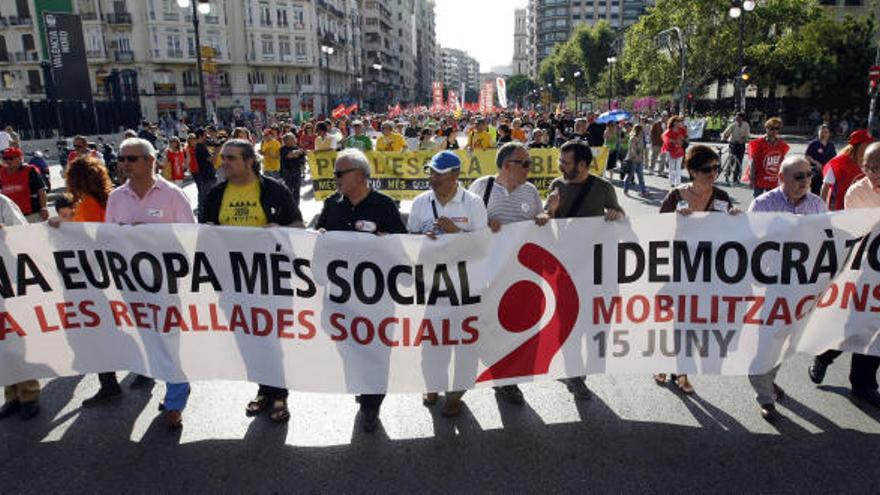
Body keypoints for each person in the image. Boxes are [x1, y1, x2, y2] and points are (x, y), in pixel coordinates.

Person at [90, 138, 195, 429]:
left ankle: (175, 399)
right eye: (121, 159)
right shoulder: (116, 198)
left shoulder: (173, 195)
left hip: (167, 283)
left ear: (150, 161)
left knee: (170, 340)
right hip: (132, 285)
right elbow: (108, 239)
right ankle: (163, 380)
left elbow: (190, 237)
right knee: (148, 338)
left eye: (132, 158)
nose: (124, 164)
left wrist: (149, 235)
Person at [200, 138, 303, 424]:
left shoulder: (273, 190)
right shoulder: (217, 193)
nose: (224, 163)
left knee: (272, 338)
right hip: (232, 281)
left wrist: (278, 229)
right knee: (248, 339)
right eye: (223, 158)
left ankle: (279, 393)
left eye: (231, 158)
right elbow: (205, 230)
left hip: (269, 280)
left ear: (249, 161)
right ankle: (263, 390)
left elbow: (298, 226)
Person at [315, 148, 406, 433]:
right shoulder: (332, 205)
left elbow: (404, 247)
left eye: (339, 173)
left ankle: (371, 405)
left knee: (377, 352)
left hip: (376, 298)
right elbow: (319, 236)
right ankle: (361, 386)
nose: (335, 178)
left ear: (359, 175)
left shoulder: (384, 206)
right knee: (348, 349)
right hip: (340, 297)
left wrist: (388, 242)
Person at [468, 142, 551, 404]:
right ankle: (472, 374)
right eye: (524, 164)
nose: (529, 168)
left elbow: (542, 221)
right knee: (485, 329)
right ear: (506, 166)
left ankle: (508, 382)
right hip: (487, 277)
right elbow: (466, 225)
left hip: (520, 277)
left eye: (530, 164)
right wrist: (483, 225)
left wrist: (545, 216)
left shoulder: (530, 191)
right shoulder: (482, 187)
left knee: (516, 332)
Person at [408, 151, 488, 416]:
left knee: (465, 346)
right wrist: (422, 237)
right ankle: (432, 386)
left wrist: (456, 233)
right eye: (431, 171)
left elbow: (483, 246)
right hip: (432, 287)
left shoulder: (473, 203)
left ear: (454, 175)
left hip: (466, 286)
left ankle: (456, 395)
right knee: (432, 344)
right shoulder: (420, 202)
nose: (431, 177)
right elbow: (408, 243)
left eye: (437, 173)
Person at [544, 140, 625, 400]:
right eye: (560, 161)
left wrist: (615, 214)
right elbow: (547, 226)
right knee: (568, 327)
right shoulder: (557, 186)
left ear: (581, 164)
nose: (560, 166)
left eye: (565, 162)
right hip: (566, 270)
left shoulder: (603, 188)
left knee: (595, 326)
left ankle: (580, 372)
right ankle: (575, 376)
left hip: (596, 271)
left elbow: (621, 218)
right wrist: (551, 210)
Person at [655, 145, 738, 395]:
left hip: (707, 272)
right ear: (691, 171)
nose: (713, 173)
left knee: (693, 324)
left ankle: (678, 367)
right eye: (706, 169)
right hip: (676, 269)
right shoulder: (675, 196)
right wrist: (674, 220)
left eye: (716, 168)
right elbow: (656, 231)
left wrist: (737, 219)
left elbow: (731, 236)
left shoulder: (722, 197)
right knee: (676, 322)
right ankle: (677, 369)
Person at [748, 156, 826, 420]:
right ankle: (765, 397)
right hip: (769, 286)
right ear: (781, 178)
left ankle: (768, 379)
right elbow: (747, 241)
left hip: (801, 286)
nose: (805, 181)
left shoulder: (817, 204)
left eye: (808, 175)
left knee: (784, 341)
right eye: (799, 176)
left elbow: (828, 241)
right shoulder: (763, 204)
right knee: (765, 342)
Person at [807, 142, 880, 409]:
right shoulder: (857, 192)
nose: (871, 173)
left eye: (877, 168)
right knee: (853, 324)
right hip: (865, 270)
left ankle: (864, 385)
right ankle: (825, 355)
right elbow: (861, 231)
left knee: (876, 330)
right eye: (867, 167)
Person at [0, 191, 40, 421]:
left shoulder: (3, 202)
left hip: (9, 280)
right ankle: (11, 395)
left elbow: (23, 234)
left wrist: (4, 231)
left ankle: (29, 395)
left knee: (17, 338)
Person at [820, 129, 873, 212]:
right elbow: (826, 187)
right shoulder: (838, 163)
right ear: (858, 145)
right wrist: (822, 209)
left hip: (865, 209)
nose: (870, 146)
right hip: (842, 211)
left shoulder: (872, 162)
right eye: (867, 143)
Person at [0, 147, 48, 222]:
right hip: (10, 216)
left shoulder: (30, 171)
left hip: (31, 214)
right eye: (5, 158)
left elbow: (41, 190)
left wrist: (44, 208)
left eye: (11, 158)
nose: (7, 161)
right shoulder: (1, 173)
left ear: (19, 159)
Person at [747, 117, 790, 197]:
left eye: (777, 128)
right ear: (766, 128)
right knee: (758, 201)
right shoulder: (757, 144)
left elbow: (782, 162)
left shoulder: (782, 145)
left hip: (773, 179)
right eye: (772, 128)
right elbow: (753, 161)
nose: (774, 131)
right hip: (759, 178)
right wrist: (751, 178)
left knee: (773, 202)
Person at [804, 124, 836, 196]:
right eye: (822, 132)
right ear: (818, 132)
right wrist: (816, 163)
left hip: (827, 172)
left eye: (826, 132)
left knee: (826, 192)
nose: (824, 134)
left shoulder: (831, 145)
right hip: (816, 171)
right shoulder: (813, 144)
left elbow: (833, 158)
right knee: (815, 192)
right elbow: (807, 156)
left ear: (829, 134)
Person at [721, 112, 751, 182]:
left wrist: (744, 139)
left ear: (742, 118)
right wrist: (724, 138)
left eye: (738, 118)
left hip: (741, 145)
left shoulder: (746, 125)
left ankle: (736, 177)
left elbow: (747, 135)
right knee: (731, 160)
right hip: (733, 144)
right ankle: (727, 173)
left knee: (739, 161)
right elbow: (726, 133)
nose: (737, 119)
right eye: (736, 117)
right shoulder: (733, 125)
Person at [193, 129, 217, 213]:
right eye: (205, 135)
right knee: (206, 198)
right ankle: (204, 216)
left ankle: (203, 215)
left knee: (204, 197)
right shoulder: (201, 147)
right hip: (206, 176)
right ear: (200, 136)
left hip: (205, 176)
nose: (206, 137)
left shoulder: (200, 146)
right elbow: (212, 160)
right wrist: (216, 150)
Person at [279, 132, 305, 207]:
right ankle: (288, 207)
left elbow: (302, 159)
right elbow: (288, 156)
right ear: (286, 141)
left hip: (297, 171)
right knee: (288, 190)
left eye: (293, 139)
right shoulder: (283, 149)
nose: (293, 140)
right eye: (291, 139)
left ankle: (296, 207)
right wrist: (296, 153)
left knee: (297, 191)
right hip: (287, 172)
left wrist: (299, 157)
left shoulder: (298, 148)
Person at [661, 116, 687, 187]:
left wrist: (683, 141)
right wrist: (674, 141)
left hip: (679, 150)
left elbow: (685, 137)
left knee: (678, 166)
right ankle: (671, 181)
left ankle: (678, 182)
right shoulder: (668, 131)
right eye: (677, 121)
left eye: (679, 121)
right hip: (670, 150)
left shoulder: (682, 130)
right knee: (672, 167)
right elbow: (665, 139)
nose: (679, 123)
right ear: (673, 122)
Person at [623, 124, 648, 196]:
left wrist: (642, 158)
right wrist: (637, 157)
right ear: (638, 131)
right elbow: (632, 150)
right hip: (632, 159)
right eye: (641, 130)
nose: (643, 131)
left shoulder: (641, 138)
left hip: (639, 159)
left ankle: (643, 191)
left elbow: (642, 149)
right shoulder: (633, 138)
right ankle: (626, 191)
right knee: (630, 175)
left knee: (641, 176)